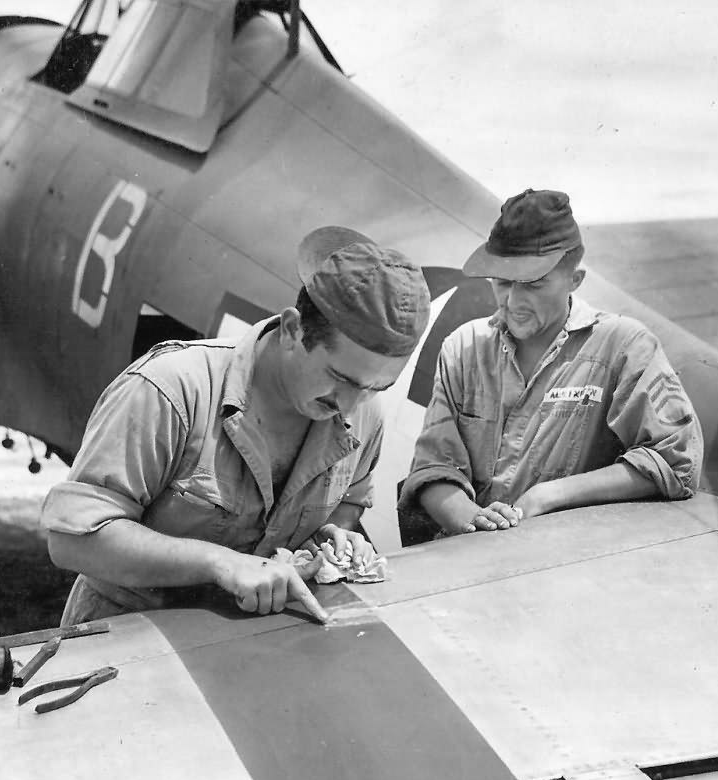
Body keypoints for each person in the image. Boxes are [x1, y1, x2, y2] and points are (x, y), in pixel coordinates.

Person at [42, 226, 430, 625]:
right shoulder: (171, 390)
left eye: (376, 386)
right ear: (294, 329)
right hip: (132, 635)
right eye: (341, 379)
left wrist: (332, 540)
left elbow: (347, 502)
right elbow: (72, 540)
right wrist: (220, 564)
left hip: (251, 644)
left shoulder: (363, 411)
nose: (350, 405)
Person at [401, 188, 702, 537]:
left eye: (534, 284)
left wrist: (548, 496)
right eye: (502, 282)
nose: (514, 301)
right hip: (469, 553)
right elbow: (433, 467)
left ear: (575, 279)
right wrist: (475, 521)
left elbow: (677, 463)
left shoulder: (624, 347)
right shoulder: (463, 348)